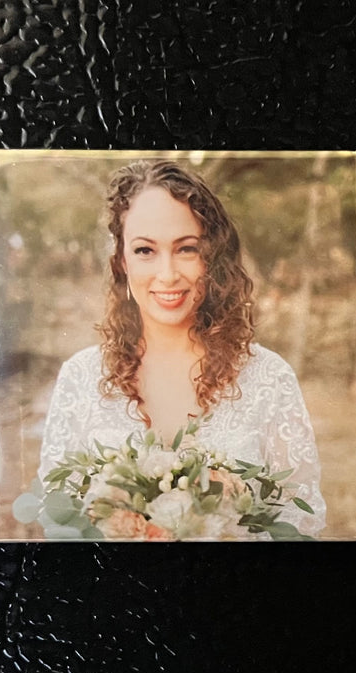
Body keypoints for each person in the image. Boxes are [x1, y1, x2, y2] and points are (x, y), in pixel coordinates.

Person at [37, 160, 325, 538]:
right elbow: (58, 519)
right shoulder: (81, 377)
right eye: (145, 250)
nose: (168, 274)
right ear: (122, 262)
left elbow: (301, 521)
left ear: (212, 257)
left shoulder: (269, 378)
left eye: (186, 248)